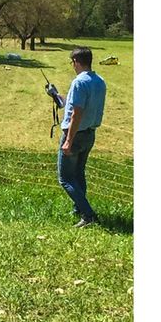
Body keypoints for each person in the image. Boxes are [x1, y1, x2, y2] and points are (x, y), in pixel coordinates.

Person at [56, 47, 107, 228]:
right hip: (89, 134)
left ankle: (88, 215)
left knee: (65, 178)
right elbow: (74, 104)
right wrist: (57, 97)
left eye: (72, 62)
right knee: (78, 173)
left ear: (76, 62)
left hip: (75, 134)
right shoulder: (100, 81)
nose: (72, 66)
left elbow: (77, 113)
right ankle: (79, 208)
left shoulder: (79, 82)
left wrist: (68, 140)